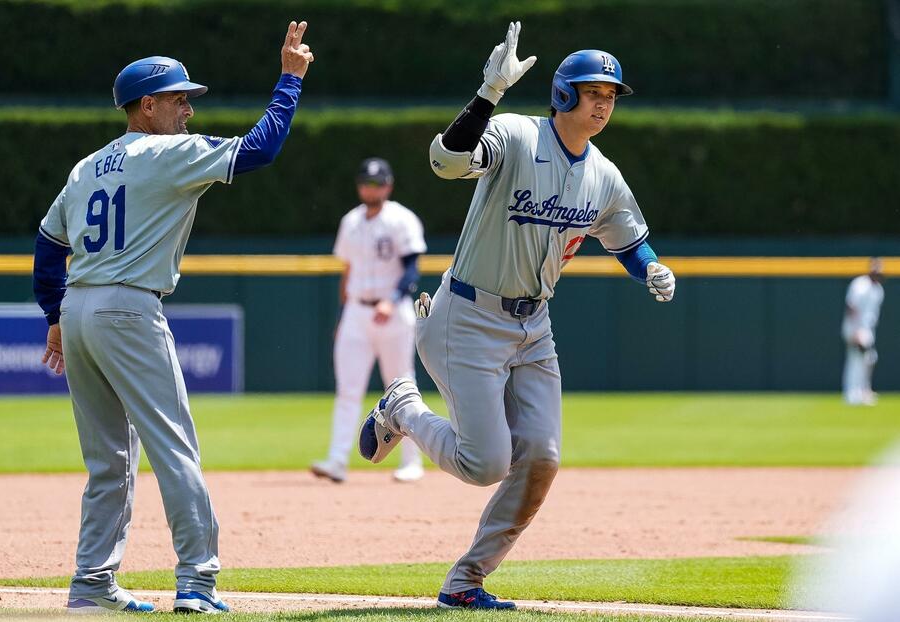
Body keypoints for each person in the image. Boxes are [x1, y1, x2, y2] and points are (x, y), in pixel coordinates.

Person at [358, 22, 675, 609]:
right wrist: (488, 95)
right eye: (593, 93)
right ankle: (402, 406)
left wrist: (652, 267)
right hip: (468, 317)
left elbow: (629, 241)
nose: (603, 104)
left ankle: (466, 581)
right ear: (562, 96)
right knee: (485, 465)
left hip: (535, 327)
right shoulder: (513, 134)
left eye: (610, 96)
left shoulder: (603, 174)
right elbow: (446, 162)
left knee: (543, 457)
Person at [33, 22, 314, 614]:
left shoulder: (87, 166)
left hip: (80, 310)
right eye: (180, 99)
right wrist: (289, 81)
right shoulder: (166, 153)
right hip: (128, 307)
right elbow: (260, 148)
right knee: (175, 447)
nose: (189, 110)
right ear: (147, 105)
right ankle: (197, 582)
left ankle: (91, 585)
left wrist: (53, 315)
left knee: (107, 460)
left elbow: (48, 242)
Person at [311, 158, 427, 484]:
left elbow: (412, 268)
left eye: (376, 183)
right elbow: (347, 272)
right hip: (356, 314)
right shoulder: (350, 222)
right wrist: (341, 316)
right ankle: (336, 461)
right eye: (365, 182)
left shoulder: (402, 219)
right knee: (348, 390)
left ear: (388, 186)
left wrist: (392, 301)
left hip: (394, 313)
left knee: (402, 386)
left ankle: (412, 461)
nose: (370, 188)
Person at [842, 258, 885, 406]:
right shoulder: (860, 285)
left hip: (867, 330)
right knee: (857, 360)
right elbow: (851, 307)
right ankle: (852, 394)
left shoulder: (878, 289)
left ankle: (862, 392)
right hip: (855, 328)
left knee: (868, 359)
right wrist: (855, 331)